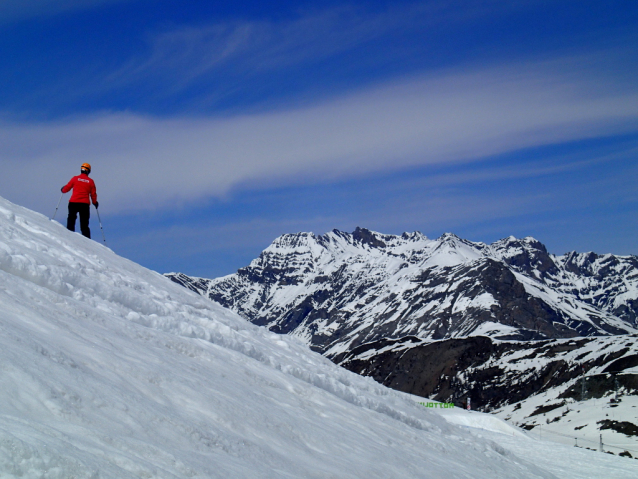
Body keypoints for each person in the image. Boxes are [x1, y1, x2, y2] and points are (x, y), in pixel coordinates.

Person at [61, 163, 98, 238]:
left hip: (73, 202)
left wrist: (63, 190)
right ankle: (87, 240)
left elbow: (67, 187)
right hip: (84, 204)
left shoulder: (75, 178)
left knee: (71, 218)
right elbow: (93, 194)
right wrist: (95, 202)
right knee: (84, 224)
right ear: (89, 171)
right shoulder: (90, 181)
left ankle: (69, 235)